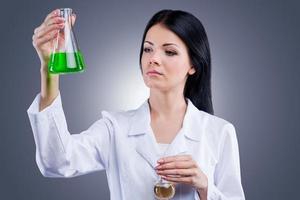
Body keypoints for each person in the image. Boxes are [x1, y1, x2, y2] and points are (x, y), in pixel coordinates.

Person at [28, 8, 245, 200]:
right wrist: (48, 69)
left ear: (193, 65)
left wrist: (205, 186)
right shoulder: (115, 128)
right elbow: (56, 162)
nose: (153, 59)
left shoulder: (219, 132)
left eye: (169, 51)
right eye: (148, 49)